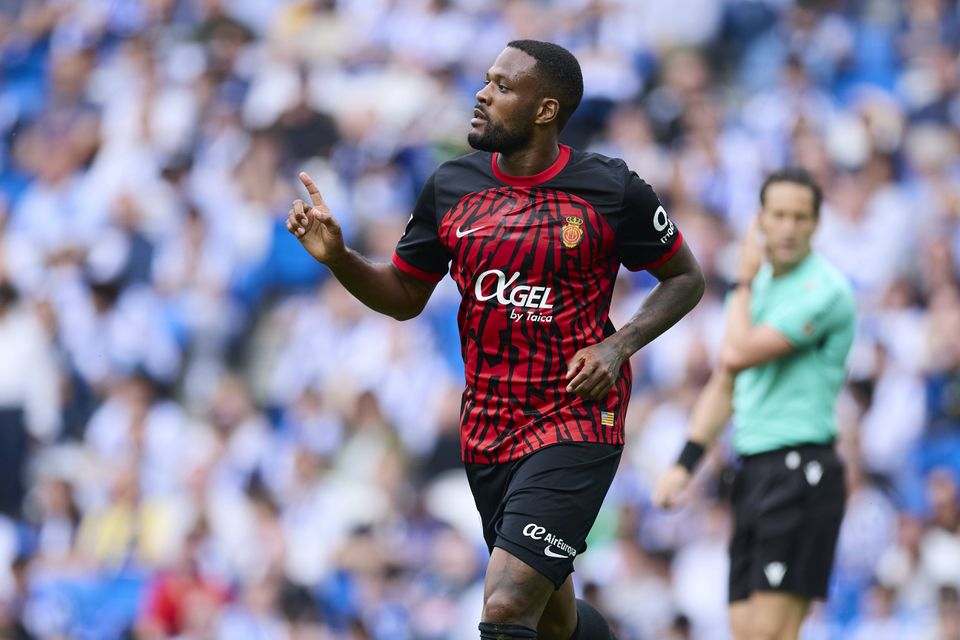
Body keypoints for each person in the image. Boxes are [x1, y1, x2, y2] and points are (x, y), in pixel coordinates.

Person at [286, 40, 705, 640]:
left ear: (545, 110)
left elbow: (686, 278)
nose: (482, 94)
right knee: (553, 621)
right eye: (487, 80)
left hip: (576, 418)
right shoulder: (452, 185)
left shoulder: (610, 189)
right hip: (488, 430)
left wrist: (619, 346)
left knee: (506, 605)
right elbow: (404, 296)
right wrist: (340, 259)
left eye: (503, 87)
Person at [652, 168, 857, 640]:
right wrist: (685, 463)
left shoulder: (825, 289)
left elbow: (735, 355)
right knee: (745, 631)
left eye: (800, 217)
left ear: (816, 223)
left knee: (769, 633)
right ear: (760, 220)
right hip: (754, 470)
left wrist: (743, 282)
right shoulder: (755, 291)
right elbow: (726, 383)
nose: (788, 227)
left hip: (801, 467)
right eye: (778, 215)